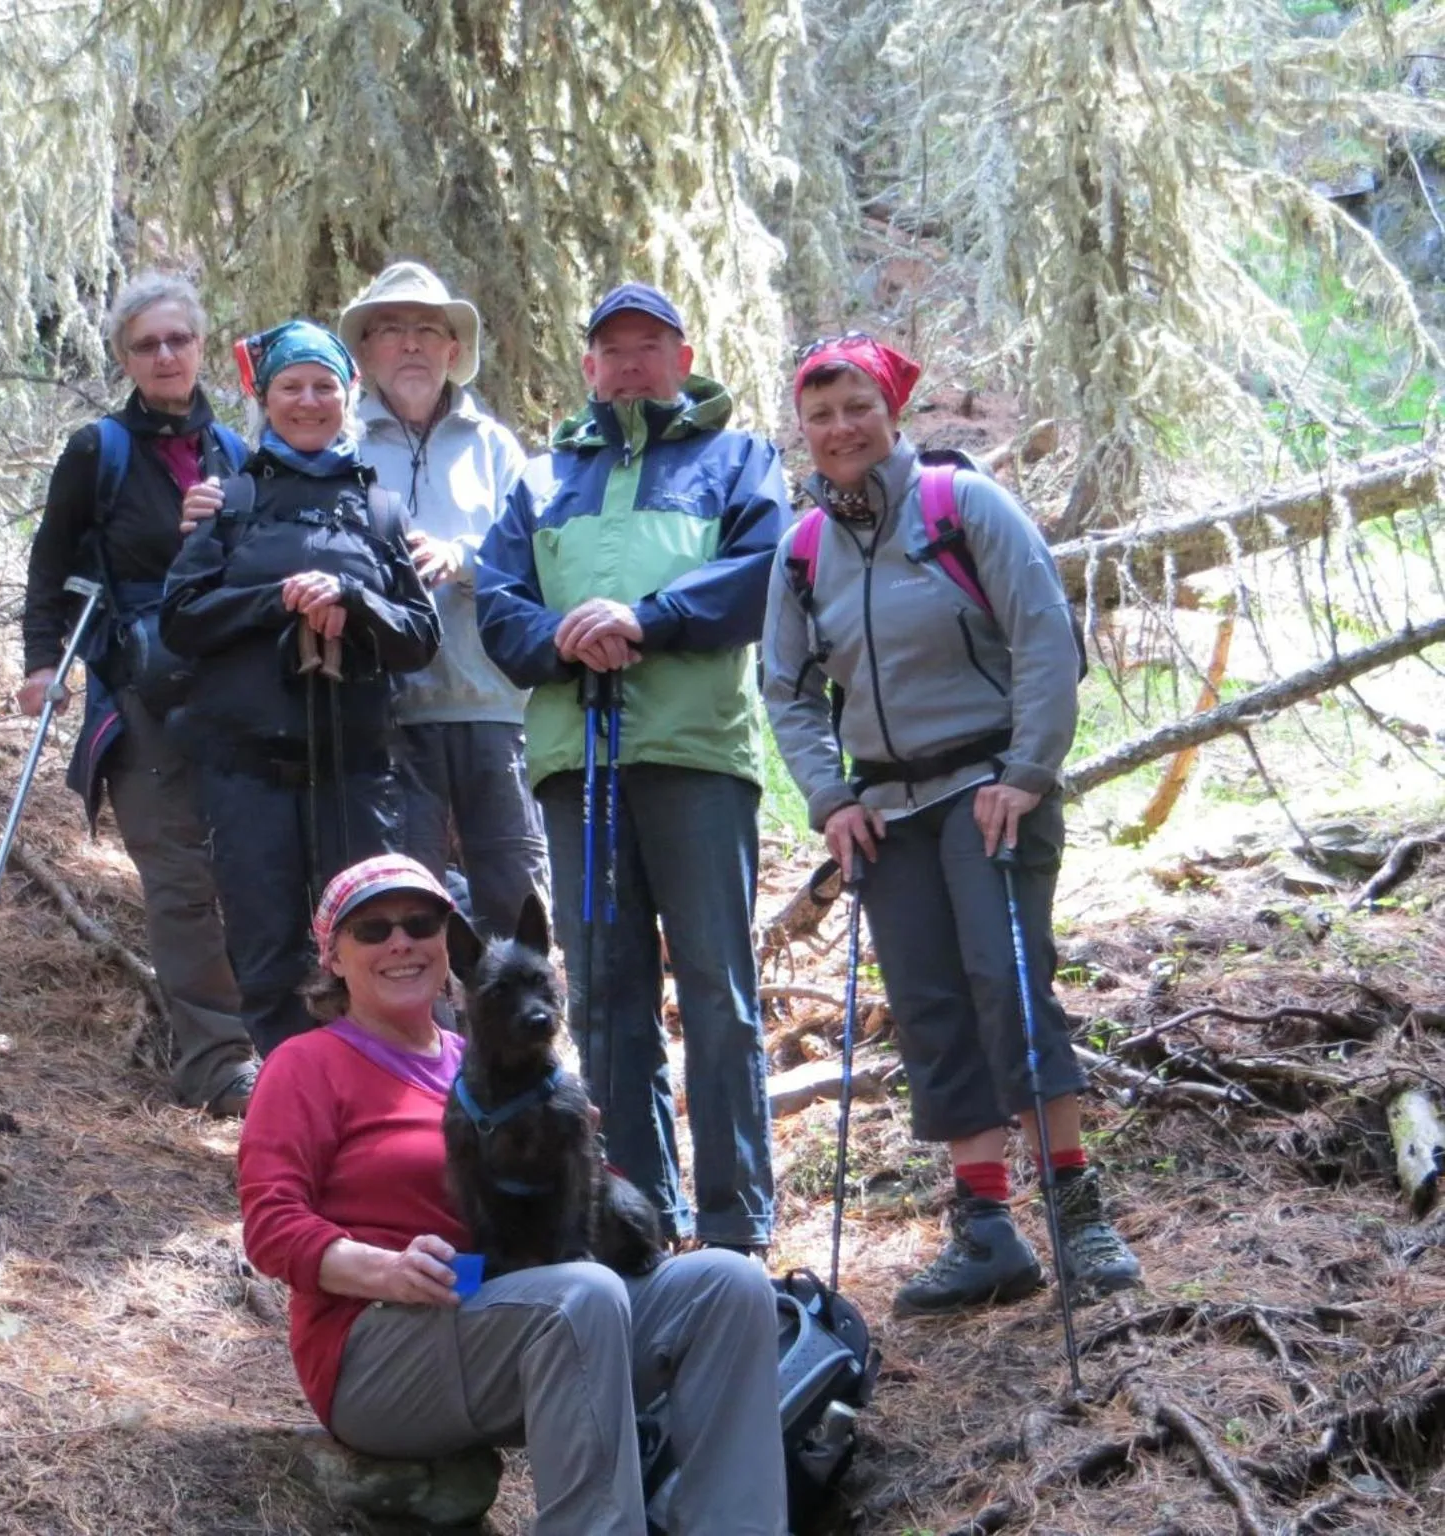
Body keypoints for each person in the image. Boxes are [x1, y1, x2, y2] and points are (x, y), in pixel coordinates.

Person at [759, 333, 1142, 1314]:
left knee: (1007, 987)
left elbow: (1041, 637)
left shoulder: (960, 505)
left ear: (890, 412)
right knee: (929, 1009)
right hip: (884, 812)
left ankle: (1075, 1208)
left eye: (855, 408)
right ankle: (984, 1231)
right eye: (820, 415)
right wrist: (830, 797)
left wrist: (1025, 771)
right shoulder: (802, 549)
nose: (839, 429)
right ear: (801, 432)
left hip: (985, 790)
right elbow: (788, 691)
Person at [239, 854, 787, 1536]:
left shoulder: (502, 1061)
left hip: (513, 1303)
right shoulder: (307, 1064)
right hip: (379, 1343)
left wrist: (584, 1155)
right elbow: (270, 1225)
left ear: (453, 950)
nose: (401, 941)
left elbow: (581, 1197)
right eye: (373, 930)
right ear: (336, 961)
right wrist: (387, 1269)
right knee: (581, 1295)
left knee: (727, 1286)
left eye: (420, 922)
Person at [475, 282, 789, 1253]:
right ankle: (635, 1218)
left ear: (681, 358)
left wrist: (642, 619)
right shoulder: (538, 480)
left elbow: (761, 570)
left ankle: (738, 1223)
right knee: (605, 999)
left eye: (647, 346)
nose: (628, 363)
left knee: (716, 990)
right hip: (579, 765)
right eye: (611, 349)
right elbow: (496, 601)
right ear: (587, 368)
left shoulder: (738, 459)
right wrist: (563, 640)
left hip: (693, 753)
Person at [161, 321, 440, 1057]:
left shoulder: (378, 509)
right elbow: (180, 620)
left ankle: (379, 1123)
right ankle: (285, 1127)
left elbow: (420, 636)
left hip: (355, 777)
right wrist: (274, 599)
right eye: (291, 386)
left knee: (374, 949)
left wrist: (353, 599)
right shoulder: (230, 501)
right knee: (266, 955)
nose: (308, 401)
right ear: (266, 397)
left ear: (347, 396)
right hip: (250, 779)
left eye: (323, 386)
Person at [19, 272, 257, 1118]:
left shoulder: (236, 452)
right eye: (146, 344)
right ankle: (215, 1061)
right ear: (124, 357)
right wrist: (42, 662)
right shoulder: (99, 451)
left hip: (233, 691)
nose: (164, 355)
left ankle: (269, 1046)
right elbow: (50, 563)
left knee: (249, 869)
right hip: (140, 692)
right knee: (181, 878)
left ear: (201, 347)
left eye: (178, 340)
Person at [335, 261, 548, 937]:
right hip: (387, 714)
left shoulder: (495, 448)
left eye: (428, 329)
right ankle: (425, 1045)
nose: (411, 344)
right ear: (366, 352)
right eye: (391, 330)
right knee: (409, 905)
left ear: (454, 351)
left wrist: (465, 560)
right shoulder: (342, 444)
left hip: (494, 706)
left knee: (517, 901)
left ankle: (534, 1039)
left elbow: (539, 558)